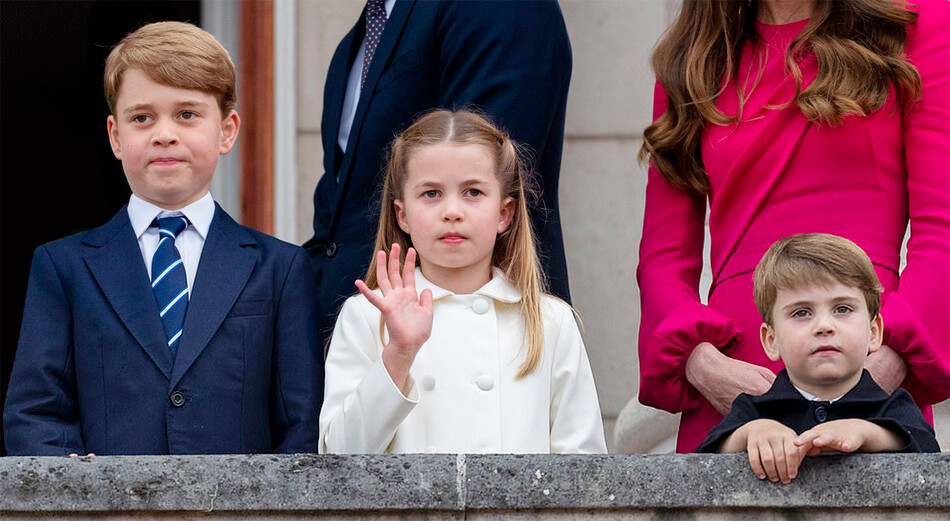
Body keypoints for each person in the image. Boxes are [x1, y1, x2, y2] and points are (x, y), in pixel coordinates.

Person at [636, 0, 950, 452]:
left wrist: (883, 366)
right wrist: (702, 365)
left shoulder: (912, 25)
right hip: (736, 388)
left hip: (869, 368)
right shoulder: (694, 59)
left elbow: (942, 231)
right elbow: (662, 257)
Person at [3, 22, 322, 455]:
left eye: (187, 114)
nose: (164, 133)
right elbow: (35, 415)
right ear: (116, 136)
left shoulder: (281, 269)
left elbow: (300, 427)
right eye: (142, 118)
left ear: (226, 130)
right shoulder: (62, 268)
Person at [319, 110, 606, 454]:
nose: (452, 211)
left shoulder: (550, 322)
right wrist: (399, 353)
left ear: (505, 213)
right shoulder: (366, 316)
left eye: (472, 192)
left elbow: (584, 468)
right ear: (402, 215)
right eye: (431, 194)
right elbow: (338, 460)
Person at [304, 0, 573, 344]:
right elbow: (336, 229)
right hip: (365, 341)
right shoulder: (354, 45)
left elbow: (484, 186)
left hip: (480, 339)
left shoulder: (501, 7)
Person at [696, 234, 939, 483]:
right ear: (772, 340)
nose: (824, 326)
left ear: (874, 332)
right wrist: (751, 433)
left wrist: (868, 432)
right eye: (802, 312)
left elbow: (930, 454)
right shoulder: (756, 409)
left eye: (842, 309)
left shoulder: (893, 405)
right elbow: (703, 462)